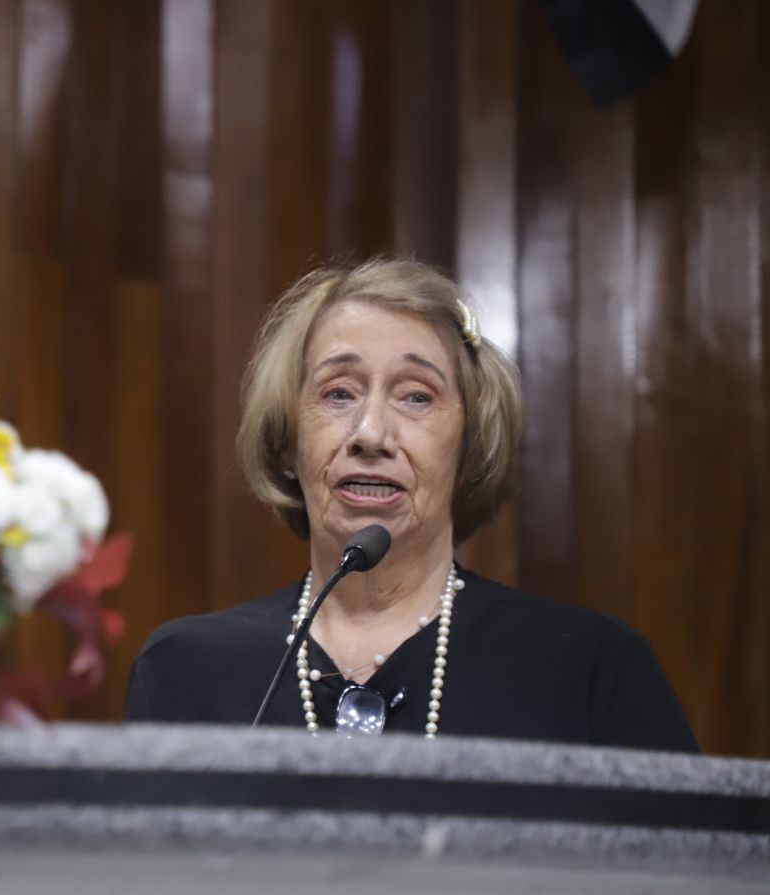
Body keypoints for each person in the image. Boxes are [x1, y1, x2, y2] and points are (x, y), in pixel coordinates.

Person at [125, 259, 697, 751]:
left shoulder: (589, 670)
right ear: (287, 442)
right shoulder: (184, 671)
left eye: (416, 397)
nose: (370, 433)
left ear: (469, 448)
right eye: (338, 393)